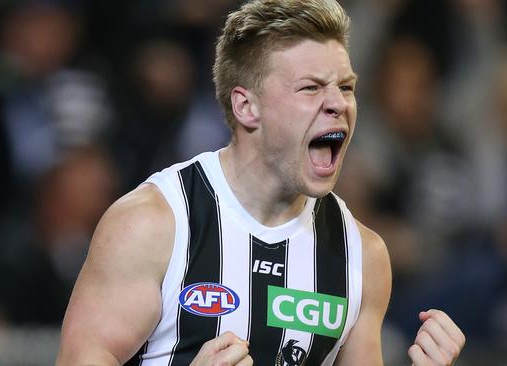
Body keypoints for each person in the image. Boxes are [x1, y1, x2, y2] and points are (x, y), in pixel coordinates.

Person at [56, 1, 466, 365]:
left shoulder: (363, 256)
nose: (338, 104)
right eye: (311, 88)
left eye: (345, 87)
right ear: (246, 106)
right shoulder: (153, 225)